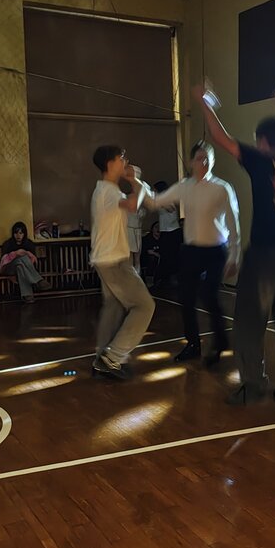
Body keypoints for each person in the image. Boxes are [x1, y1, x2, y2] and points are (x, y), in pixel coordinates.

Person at [193, 79, 275, 405]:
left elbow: (220, 138)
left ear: (261, 141)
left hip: (263, 255)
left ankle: (252, 385)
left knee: (248, 320)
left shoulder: (259, 161)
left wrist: (203, 103)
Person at [137, 142, 240, 366]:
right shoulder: (184, 186)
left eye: (208, 158)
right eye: (200, 158)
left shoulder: (222, 188)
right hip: (192, 250)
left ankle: (220, 341)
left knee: (209, 294)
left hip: (216, 251)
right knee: (186, 298)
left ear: (213, 161)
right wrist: (137, 183)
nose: (204, 162)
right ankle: (193, 344)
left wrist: (234, 255)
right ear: (192, 162)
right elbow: (155, 202)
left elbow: (234, 222)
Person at [90, 145, 154, 380]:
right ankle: (112, 357)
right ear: (110, 164)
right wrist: (136, 181)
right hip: (114, 261)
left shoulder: (106, 190)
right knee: (145, 306)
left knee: (114, 307)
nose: (125, 161)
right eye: (121, 158)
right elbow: (134, 204)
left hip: (105, 259)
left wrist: (135, 183)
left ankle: (102, 358)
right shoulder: (108, 191)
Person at [0, 222, 51, 303]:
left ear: (24, 234)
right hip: (9, 268)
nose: (18, 235)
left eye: (21, 233)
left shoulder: (29, 244)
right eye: (16, 233)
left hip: (23, 269)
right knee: (21, 259)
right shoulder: (8, 244)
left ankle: (27, 296)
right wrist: (15, 253)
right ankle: (38, 280)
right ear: (13, 234)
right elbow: (4, 261)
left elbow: (33, 261)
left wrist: (26, 253)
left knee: (20, 266)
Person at [153, 181, 182, 284]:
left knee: (171, 256)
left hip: (172, 232)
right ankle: (164, 279)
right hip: (165, 231)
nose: (154, 192)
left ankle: (172, 279)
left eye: (155, 190)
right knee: (164, 256)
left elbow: (171, 209)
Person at [126, 166, 146, 274]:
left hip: (137, 229)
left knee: (137, 258)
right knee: (129, 258)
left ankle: (137, 278)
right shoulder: (127, 197)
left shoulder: (141, 194)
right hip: (129, 229)